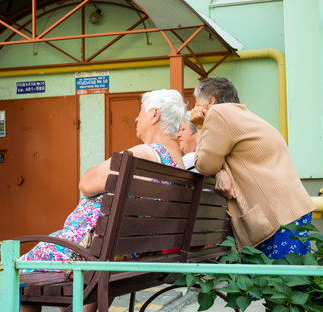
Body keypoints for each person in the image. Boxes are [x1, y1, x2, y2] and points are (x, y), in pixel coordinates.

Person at [20, 89, 186, 312]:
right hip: (129, 254)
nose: (137, 118)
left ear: (155, 115)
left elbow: (86, 183)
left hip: (94, 251)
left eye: (140, 112)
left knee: (21, 274)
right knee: (93, 267)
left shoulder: (147, 153)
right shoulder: (180, 164)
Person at [190, 77, 314, 259]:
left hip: (277, 219)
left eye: (196, 103)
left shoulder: (218, 113)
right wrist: (221, 171)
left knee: (273, 284)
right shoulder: (242, 114)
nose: (193, 110)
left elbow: (205, 164)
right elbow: (224, 157)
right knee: (292, 282)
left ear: (211, 100)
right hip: (292, 210)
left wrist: (200, 127)